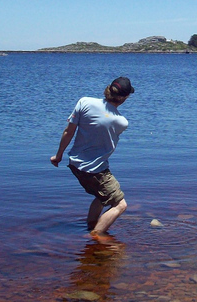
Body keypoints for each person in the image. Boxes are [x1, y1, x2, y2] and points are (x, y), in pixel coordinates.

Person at [50, 77, 134, 236]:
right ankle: (96, 236)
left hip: (75, 165)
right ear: (123, 98)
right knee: (120, 205)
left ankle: (90, 225)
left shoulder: (84, 102)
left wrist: (58, 155)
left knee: (101, 196)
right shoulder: (121, 122)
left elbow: (69, 131)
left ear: (108, 89)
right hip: (96, 170)